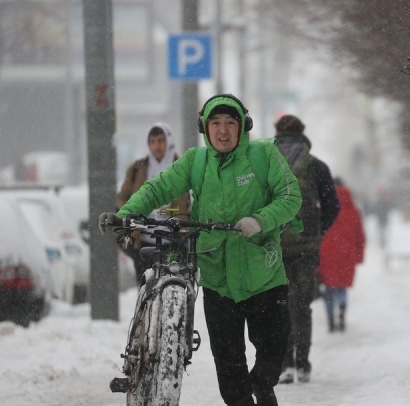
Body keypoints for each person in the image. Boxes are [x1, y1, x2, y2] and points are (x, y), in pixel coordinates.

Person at [99, 94, 301, 406]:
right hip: (217, 277)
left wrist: (260, 221)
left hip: (264, 274)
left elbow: (290, 198)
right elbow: (159, 187)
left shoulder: (264, 155)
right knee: (229, 364)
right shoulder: (196, 161)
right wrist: (126, 214)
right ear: (205, 129)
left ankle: (263, 384)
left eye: (230, 123)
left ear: (242, 126)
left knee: (273, 349)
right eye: (215, 123)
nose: (223, 130)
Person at [273, 114, 340, 384]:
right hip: (306, 247)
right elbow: (333, 205)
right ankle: (302, 363)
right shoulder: (317, 167)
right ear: (303, 133)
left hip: (273, 246)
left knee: (279, 306)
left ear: (277, 132)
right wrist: (317, 230)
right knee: (302, 305)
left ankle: (284, 363)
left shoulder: (266, 162)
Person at [116, 122, 190, 283]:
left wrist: (175, 217)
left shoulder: (184, 167)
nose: (157, 146)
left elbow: (189, 202)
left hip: (174, 240)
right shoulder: (137, 168)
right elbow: (122, 197)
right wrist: (131, 216)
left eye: (161, 140)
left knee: (175, 285)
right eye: (153, 141)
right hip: (144, 241)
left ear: (169, 141)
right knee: (146, 286)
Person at [318, 177, 366, 332]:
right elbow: (360, 236)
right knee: (342, 287)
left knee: (329, 289)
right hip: (346, 255)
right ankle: (342, 314)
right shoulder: (354, 212)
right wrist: (358, 256)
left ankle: (331, 319)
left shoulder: (323, 209)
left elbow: (316, 234)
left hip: (326, 255)